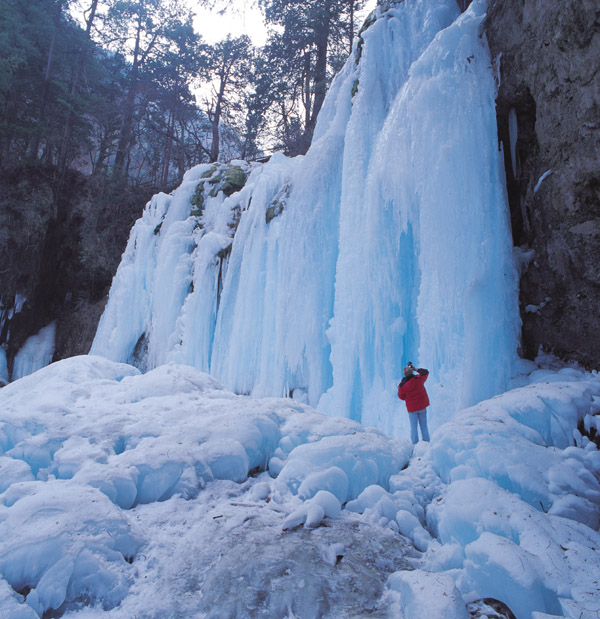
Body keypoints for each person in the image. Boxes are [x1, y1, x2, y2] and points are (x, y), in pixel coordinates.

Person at [397, 361, 431, 444]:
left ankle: (415, 445)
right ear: (411, 372)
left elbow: (401, 396)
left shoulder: (403, 386)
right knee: (424, 426)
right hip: (422, 406)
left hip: (412, 409)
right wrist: (416, 369)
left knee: (413, 427)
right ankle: (427, 443)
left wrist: (408, 397)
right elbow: (425, 372)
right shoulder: (419, 379)